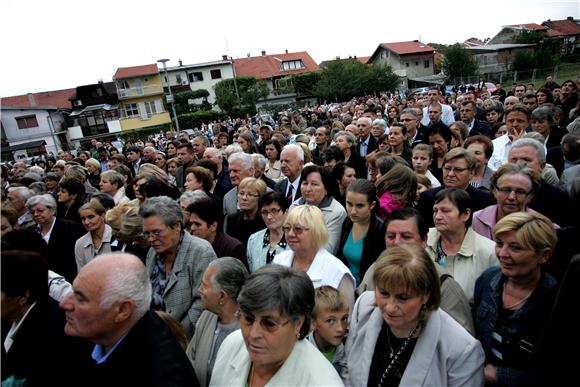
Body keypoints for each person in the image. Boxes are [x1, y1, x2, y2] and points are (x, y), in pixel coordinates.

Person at [344, 244, 484, 386]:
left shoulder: (461, 350)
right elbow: (348, 370)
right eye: (384, 293)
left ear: (426, 296)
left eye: (403, 298)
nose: (390, 307)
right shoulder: (363, 307)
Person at [59, 253, 199, 386]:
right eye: (73, 291)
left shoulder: (163, 376)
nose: (64, 303)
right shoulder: (92, 333)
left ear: (122, 310)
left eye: (80, 298)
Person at [209, 265, 344, 387]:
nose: (253, 334)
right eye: (248, 319)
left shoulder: (323, 382)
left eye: (269, 323)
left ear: (298, 323)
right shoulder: (232, 344)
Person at [473, 212, 559, 386]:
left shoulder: (556, 300)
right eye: (499, 243)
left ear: (544, 255)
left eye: (515, 248)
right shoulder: (487, 280)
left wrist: (498, 375)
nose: (502, 254)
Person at [140, 196, 217, 337]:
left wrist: (175, 336)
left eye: (157, 232)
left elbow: (201, 303)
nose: (151, 239)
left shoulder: (201, 252)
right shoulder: (153, 252)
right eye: (147, 234)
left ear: (177, 226)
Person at [274, 205, 355, 309]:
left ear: (316, 231)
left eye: (298, 229)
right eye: (287, 228)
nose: (290, 234)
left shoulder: (338, 272)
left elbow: (347, 318)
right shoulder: (279, 260)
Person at [426, 188, 497, 302]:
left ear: (466, 214)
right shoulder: (423, 240)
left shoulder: (489, 252)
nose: (438, 216)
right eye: (435, 210)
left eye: (445, 211)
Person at [186, 257, 248, 387]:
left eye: (204, 285)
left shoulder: (247, 331)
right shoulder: (206, 317)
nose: (199, 290)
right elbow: (189, 360)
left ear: (222, 296)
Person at [472, 163, 542, 240]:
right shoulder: (477, 220)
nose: (511, 197)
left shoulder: (541, 227)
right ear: (494, 191)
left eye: (520, 192)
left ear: (530, 196)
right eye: (506, 190)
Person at [336, 179, 385, 286]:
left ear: (372, 205)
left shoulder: (381, 230)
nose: (353, 211)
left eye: (359, 206)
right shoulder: (347, 222)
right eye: (349, 204)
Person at [290, 165, 347, 255]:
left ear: (326, 189)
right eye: (305, 183)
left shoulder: (336, 212)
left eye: (314, 184)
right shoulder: (295, 205)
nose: (308, 189)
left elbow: (327, 249)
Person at [26, 194, 83, 282]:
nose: (36, 214)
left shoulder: (69, 227)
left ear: (52, 210)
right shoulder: (30, 231)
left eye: (40, 211)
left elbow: (74, 257)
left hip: (65, 278)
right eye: (32, 212)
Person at [187, 197, 248, 269]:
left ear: (213, 226)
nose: (192, 228)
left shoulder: (233, 248)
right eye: (191, 224)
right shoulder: (189, 245)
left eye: (197, 224)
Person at [307, 286, 349, 379]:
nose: (340, 328)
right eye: (330, 321)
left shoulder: (351, 349)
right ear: (313, 323)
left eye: (344, 318)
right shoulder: (299, 351)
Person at [246, 191, 290, 272]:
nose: (269, 217)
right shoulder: (254, 240)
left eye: (274, 211)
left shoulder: (294, 240)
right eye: (264, 212)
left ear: (286, 211)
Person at [225, 177, 267, 246]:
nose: (244, 198)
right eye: (241, 193)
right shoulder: (232, 219)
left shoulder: (265, 220)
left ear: (260, 198)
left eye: (250, 195)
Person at [75, 199, 113, 270]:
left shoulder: (115, 237)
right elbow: (82, 273)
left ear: (102, 215)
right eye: (83, 219)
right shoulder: (80, 243)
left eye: (91, 217)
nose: (86, 222)